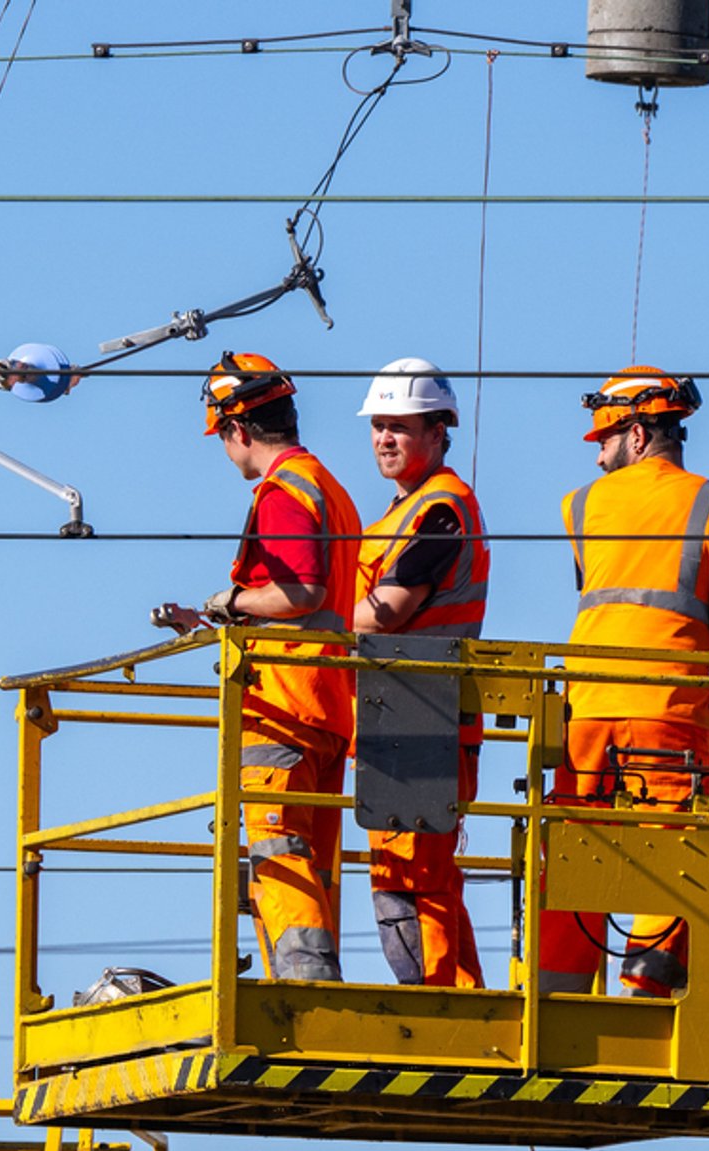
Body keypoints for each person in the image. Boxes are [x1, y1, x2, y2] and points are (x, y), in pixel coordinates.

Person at [536, 368, 709, 997]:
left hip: (585, 707)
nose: (597, 453)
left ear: (636, 434)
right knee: (670, 846)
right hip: (670, 707)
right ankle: (644, 988)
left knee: (578, 843)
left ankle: (558, 994)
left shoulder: (579, 505)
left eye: (603, 438)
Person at [156, 351, 363, 982]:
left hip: (283, 704)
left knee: (277, 853)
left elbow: (299, 593)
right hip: (329, 704)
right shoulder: (331, 489)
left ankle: (303, 995)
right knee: (312, 863)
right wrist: (217, 619)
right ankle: (306, 982)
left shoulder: (282, 492)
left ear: (237, 430)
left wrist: (229, 602)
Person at [351, 357, 490, 988]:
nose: (384, 438)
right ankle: (461, 1003)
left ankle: (442, 1008)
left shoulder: (441, 510)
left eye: (399, 427)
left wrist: (312, 624)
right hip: (399, 712)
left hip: (422, 713)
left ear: (439, 432)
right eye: (379, 425)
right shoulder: (399, 514)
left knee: (413, 879)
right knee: (417, 875)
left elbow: (390, 610)